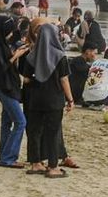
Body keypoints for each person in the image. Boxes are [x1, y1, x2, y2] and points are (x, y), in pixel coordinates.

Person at [19, 23, 73, 178]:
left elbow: (27, 80)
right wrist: (70, 99)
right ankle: (53, 166)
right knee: (53, 132)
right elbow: (64, 80)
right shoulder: (60, 56)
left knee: (34, 131)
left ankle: (36, 164)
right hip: (54, 100)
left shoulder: (31, 56)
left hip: (35, 100)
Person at [0, 15, 27, 168]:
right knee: (21, 122)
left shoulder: (2, 43)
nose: (10, 35)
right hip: (4, 87)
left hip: (7, 86)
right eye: (7, 32)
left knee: (7, 121)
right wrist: (15, 56)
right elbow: (0, 69)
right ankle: (7, 158)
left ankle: (4, 152)